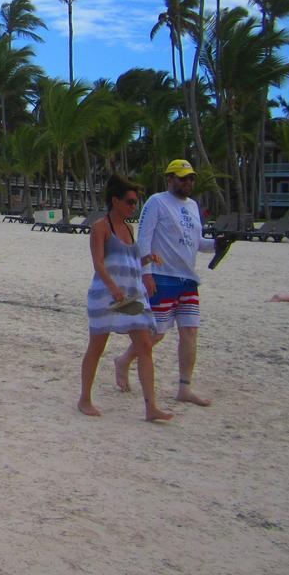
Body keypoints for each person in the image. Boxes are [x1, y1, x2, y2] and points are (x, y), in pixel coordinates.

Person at [114, 159, 216, 407]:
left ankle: (185, 387)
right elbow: (145, 239)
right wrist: (146, 273)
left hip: (188, 279)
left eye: (191, 178)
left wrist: (218, 245)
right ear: (169, 179)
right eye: (182, 178)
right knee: (157, 333)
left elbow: (198, 242)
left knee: (190, 332)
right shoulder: (156, 202)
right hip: (162, 277)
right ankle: (125, 359)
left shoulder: (193, 206)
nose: (188, 182)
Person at [79, 174, 173, 422]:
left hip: (130, 295)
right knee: (96, 347)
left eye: (136, 202)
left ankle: (151, 406)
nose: (134, 206)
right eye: (130, 201)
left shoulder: (130, 229)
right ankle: (84, 399)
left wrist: (147, 260)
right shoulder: (100, 227)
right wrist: (112, 288)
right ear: (115, 200)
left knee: (144, 345)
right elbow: (99, 263)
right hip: (106, 296)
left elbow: (129, 262)